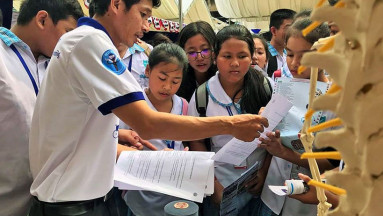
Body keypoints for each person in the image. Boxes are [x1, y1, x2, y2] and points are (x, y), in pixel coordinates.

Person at [28, 1, 268, 216]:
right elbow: (148, 123)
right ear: (116, 4)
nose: (145, 25)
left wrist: (121, 140)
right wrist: (231, 124)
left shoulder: (83, 41)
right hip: (73, 202)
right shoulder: (90, 41)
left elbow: (81, 127)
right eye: (143, 14)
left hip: (81, 196)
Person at [0, 1, 83, 216]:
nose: (70, 43)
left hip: (47, 202)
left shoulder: (56, 65)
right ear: (42, 19)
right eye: (68, 32)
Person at [188, 24, 272, 215]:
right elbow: (197, 141)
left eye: (242, 56)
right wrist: (213, 183)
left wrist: (264, 172)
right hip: (220, 184)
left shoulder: (266, 88)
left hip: (257, 183)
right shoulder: (202, 96)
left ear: (251, 57)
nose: (235, 63)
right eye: (227, 56)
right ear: (215, 58)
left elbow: (276, 136)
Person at [256, 18, 337, 216]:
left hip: (307, 203)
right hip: (272, 194)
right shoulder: (282, 89)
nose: (294, 63)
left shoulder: (337, 102)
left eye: (305, 56)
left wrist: (284, 152)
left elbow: (333, 162)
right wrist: (265, 123)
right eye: (290, 54)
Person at [123, 43, 191, 216]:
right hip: (140, 191)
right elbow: (120, 145)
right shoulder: (133, 105)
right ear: (147, 71)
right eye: (162, 78)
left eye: (176, 81)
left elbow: (182, 141)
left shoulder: (182, 105)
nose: (167, 87)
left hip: (174, 189)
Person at [176, 20, 217, 101]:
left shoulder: (224, 78)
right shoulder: (177, 80)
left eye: (205, 50)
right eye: (192, 52)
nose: (199, 57)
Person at [266, 8, 296, 78]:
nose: (293, 33)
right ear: (273, 31)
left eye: (295, 28)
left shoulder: (289, 54)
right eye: (289, 29)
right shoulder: (264, 55)